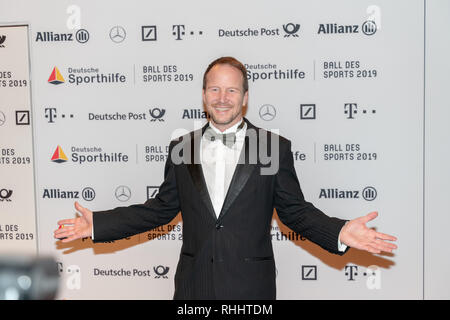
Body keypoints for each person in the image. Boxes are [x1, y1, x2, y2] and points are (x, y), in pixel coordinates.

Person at [54, 56, 397, 300]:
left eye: (231, 91)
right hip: (194, 286)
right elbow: (160, 209)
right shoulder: (181, 147)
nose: (222, 99)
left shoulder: (272, 147)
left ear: (245, 99)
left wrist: (338, 230)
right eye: (214, 90)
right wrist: (99, 224)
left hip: (251, 287)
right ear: (203, 96)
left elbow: (295, 212)